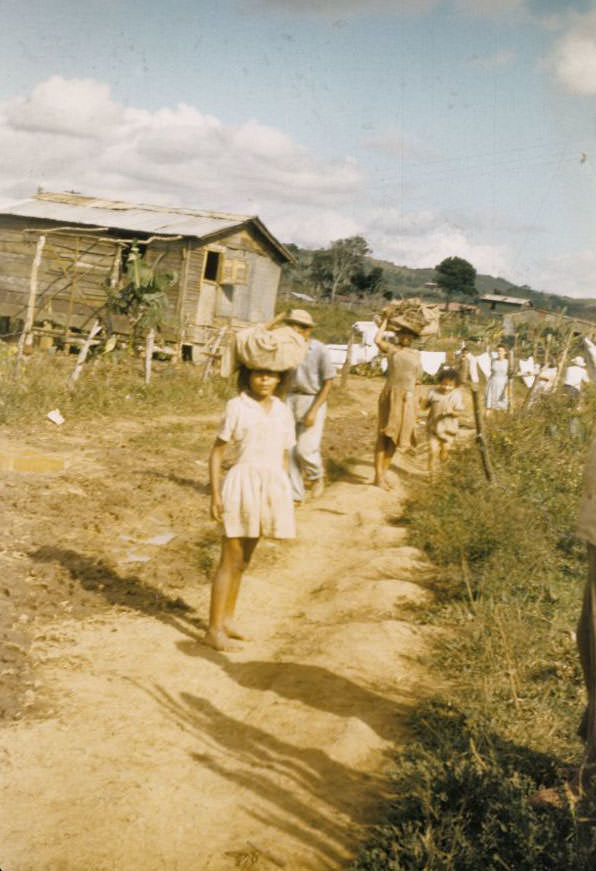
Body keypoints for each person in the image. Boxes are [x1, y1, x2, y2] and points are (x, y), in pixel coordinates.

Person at [206, 365, 295, 651]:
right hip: (241, 485)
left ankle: (228, 620)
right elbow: (217, 452)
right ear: (248, 377)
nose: (264, 379)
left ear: (280, 378)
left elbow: (284, 455)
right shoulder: (237, 406)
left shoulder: (283, 410)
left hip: (269, 487)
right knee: (229, 558)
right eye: (258, 374)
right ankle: (213, 630)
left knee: (243, 561)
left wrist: (282, 492)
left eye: (270, 374)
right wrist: (215, 494)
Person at [284, 309, 335, 502]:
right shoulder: (285, 349)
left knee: (305, 448)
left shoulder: (319, 350)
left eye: (298, 327)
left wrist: (313, 410)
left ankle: (316, 476)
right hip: (289, 398)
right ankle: (296, 494)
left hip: (312, 398)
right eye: (291, 326)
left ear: (307, 330)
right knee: (288, 448)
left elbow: (328, 382)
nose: (294, 331)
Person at [374, 314, 422, 490]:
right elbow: (377, 340)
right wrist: (386, 321)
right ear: (398, 335)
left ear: (413, 337)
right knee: (384, 435)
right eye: (402, 334)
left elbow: (418, 381)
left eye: (409, 335)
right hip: (390, 395)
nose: (405, 337)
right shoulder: (392, 349)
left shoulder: (416, 354)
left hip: (407, 399)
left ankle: (384, 473)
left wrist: (416, 404)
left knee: (395, 439)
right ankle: (378, 476)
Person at [423, 368, 464, 479]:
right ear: (440, 382)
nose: (446, 387)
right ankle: (432, 476)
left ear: (455, 386)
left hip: (448, 429)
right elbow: (424, 407)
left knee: (444, 452)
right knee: (432, 451)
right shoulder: (433, 392)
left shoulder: (456, 396)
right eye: (444, 384)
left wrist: (451, 412)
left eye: (450, 386)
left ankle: (443, 473)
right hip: (433, 427)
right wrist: (422, 402)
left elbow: (458, 413)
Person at [485, 344, 509, 417]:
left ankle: (502, 421)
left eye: (501, 351)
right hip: (492, 384)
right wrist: (488, 384)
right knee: (489, 405)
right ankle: (486, 421)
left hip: (503, 385)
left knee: (502, 406)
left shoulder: (507, 362)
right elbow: (491, 373)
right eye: (498, 351)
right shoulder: (493, 361)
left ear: (505, 352)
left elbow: (509, 376)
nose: (499, 352)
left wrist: (506, 388)